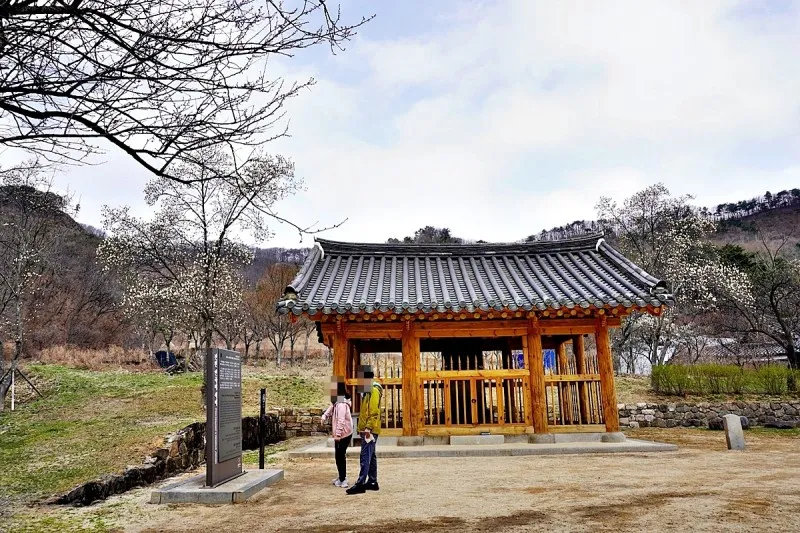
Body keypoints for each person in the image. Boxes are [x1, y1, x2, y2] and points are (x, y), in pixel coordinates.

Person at [346, 365, 383, 495]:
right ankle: (372, 481)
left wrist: (367, 428)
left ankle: (360, 483)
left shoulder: (373, 390)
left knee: (365, 455)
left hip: (370, 429)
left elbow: (373, 411)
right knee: (371, 455)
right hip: (369, 429)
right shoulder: (368, 391)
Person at [321, 379, 353, 488]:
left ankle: (343, 480)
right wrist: (324, 416)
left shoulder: (341, 404)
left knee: (340, 456)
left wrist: (338, 435)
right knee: (338, 456)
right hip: (341, 433)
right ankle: (341, 476)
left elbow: (341, 420)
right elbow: (331, 408)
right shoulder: (338, 401)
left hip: (344, 434)